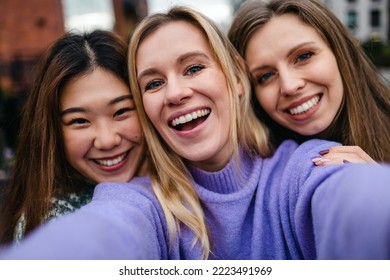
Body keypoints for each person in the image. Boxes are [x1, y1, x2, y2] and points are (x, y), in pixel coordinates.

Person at [1, 6, 390, 260]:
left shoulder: (309, 164)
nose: (175, 92)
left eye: (193, 68)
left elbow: (355, 201)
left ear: (238, 77)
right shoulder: (138, 199)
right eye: (152, 84)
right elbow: (107, 231)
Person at [0, 30, 147, 246]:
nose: (107, 140)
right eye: (80, 121)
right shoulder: (53, 226)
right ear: (53, 132)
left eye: (121, 111)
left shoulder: (185, 184)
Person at [228, 0, 390, 165]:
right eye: (266, 76)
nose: (289, 86)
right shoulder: (256, 169)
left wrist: (376, 181)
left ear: (339, 52)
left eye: (304, 56)